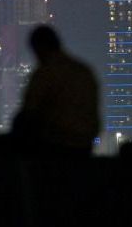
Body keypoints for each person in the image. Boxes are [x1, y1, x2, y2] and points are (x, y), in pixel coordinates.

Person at [11, 25, 100, 157]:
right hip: (84, 146)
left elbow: (28, 111)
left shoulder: (45, 73)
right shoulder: (83, 71)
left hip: (55, 146)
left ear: (39, 48)